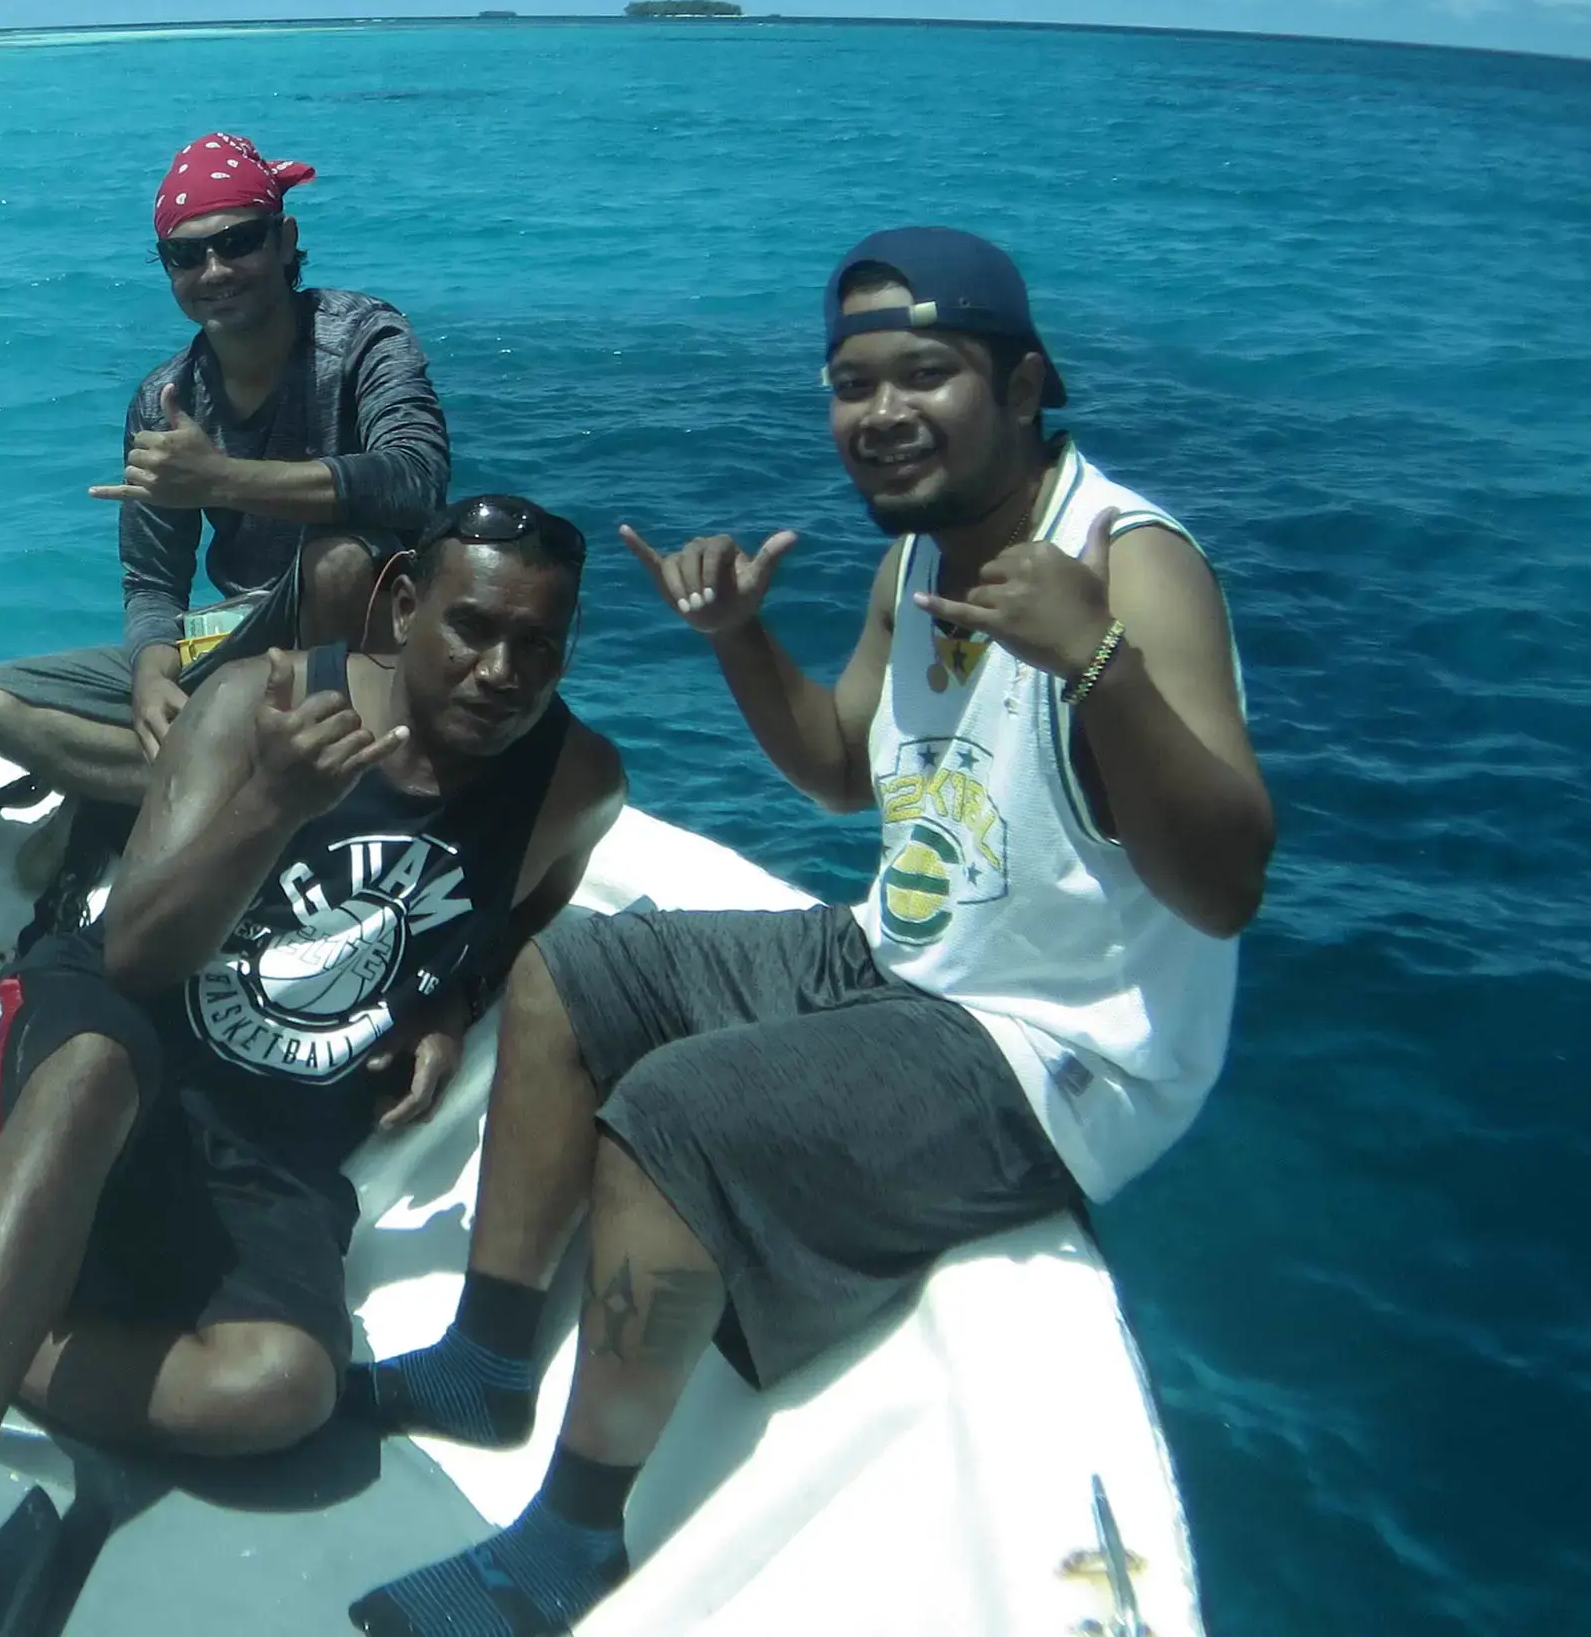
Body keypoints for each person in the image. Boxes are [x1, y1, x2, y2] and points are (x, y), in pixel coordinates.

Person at [344, 228, 1275, 1637]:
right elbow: (848, 770)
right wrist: (736, 640)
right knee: (575, 974)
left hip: (1058, 1046)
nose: (881, 412)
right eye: (853, 382)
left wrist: (1096, 662)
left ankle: (571, 1542)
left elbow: (1227, 885)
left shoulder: (1128, 566)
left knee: (677, 1116)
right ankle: (486, 1357)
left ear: (1024, 388)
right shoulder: (923, 563)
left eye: (928, 374)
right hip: (906, 958)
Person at [0, 499, 625, 1637]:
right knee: (98, 1066)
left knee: (282, 1392)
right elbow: (138, 952)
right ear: (404, 605)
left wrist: (455, 1001)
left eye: (539, 645)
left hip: (278, 1138)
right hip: (113, 1034)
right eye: (473, 629)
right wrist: (272, 803)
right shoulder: (259, 706)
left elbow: (533, 905)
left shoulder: (576, 781)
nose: (505, 671)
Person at [0, 132, 451, 894]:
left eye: (238, 243)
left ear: (286, 240)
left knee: (341, 562)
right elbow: (152, 580)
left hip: (371, 638)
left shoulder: (364, 340)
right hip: (240, 636)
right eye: (186, 256)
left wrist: (223, 477)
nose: (215, 271)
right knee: (4, 701)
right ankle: (251, 795)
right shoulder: (164, 397)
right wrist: (152, 670)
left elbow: (415, 478)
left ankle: (300, 795)